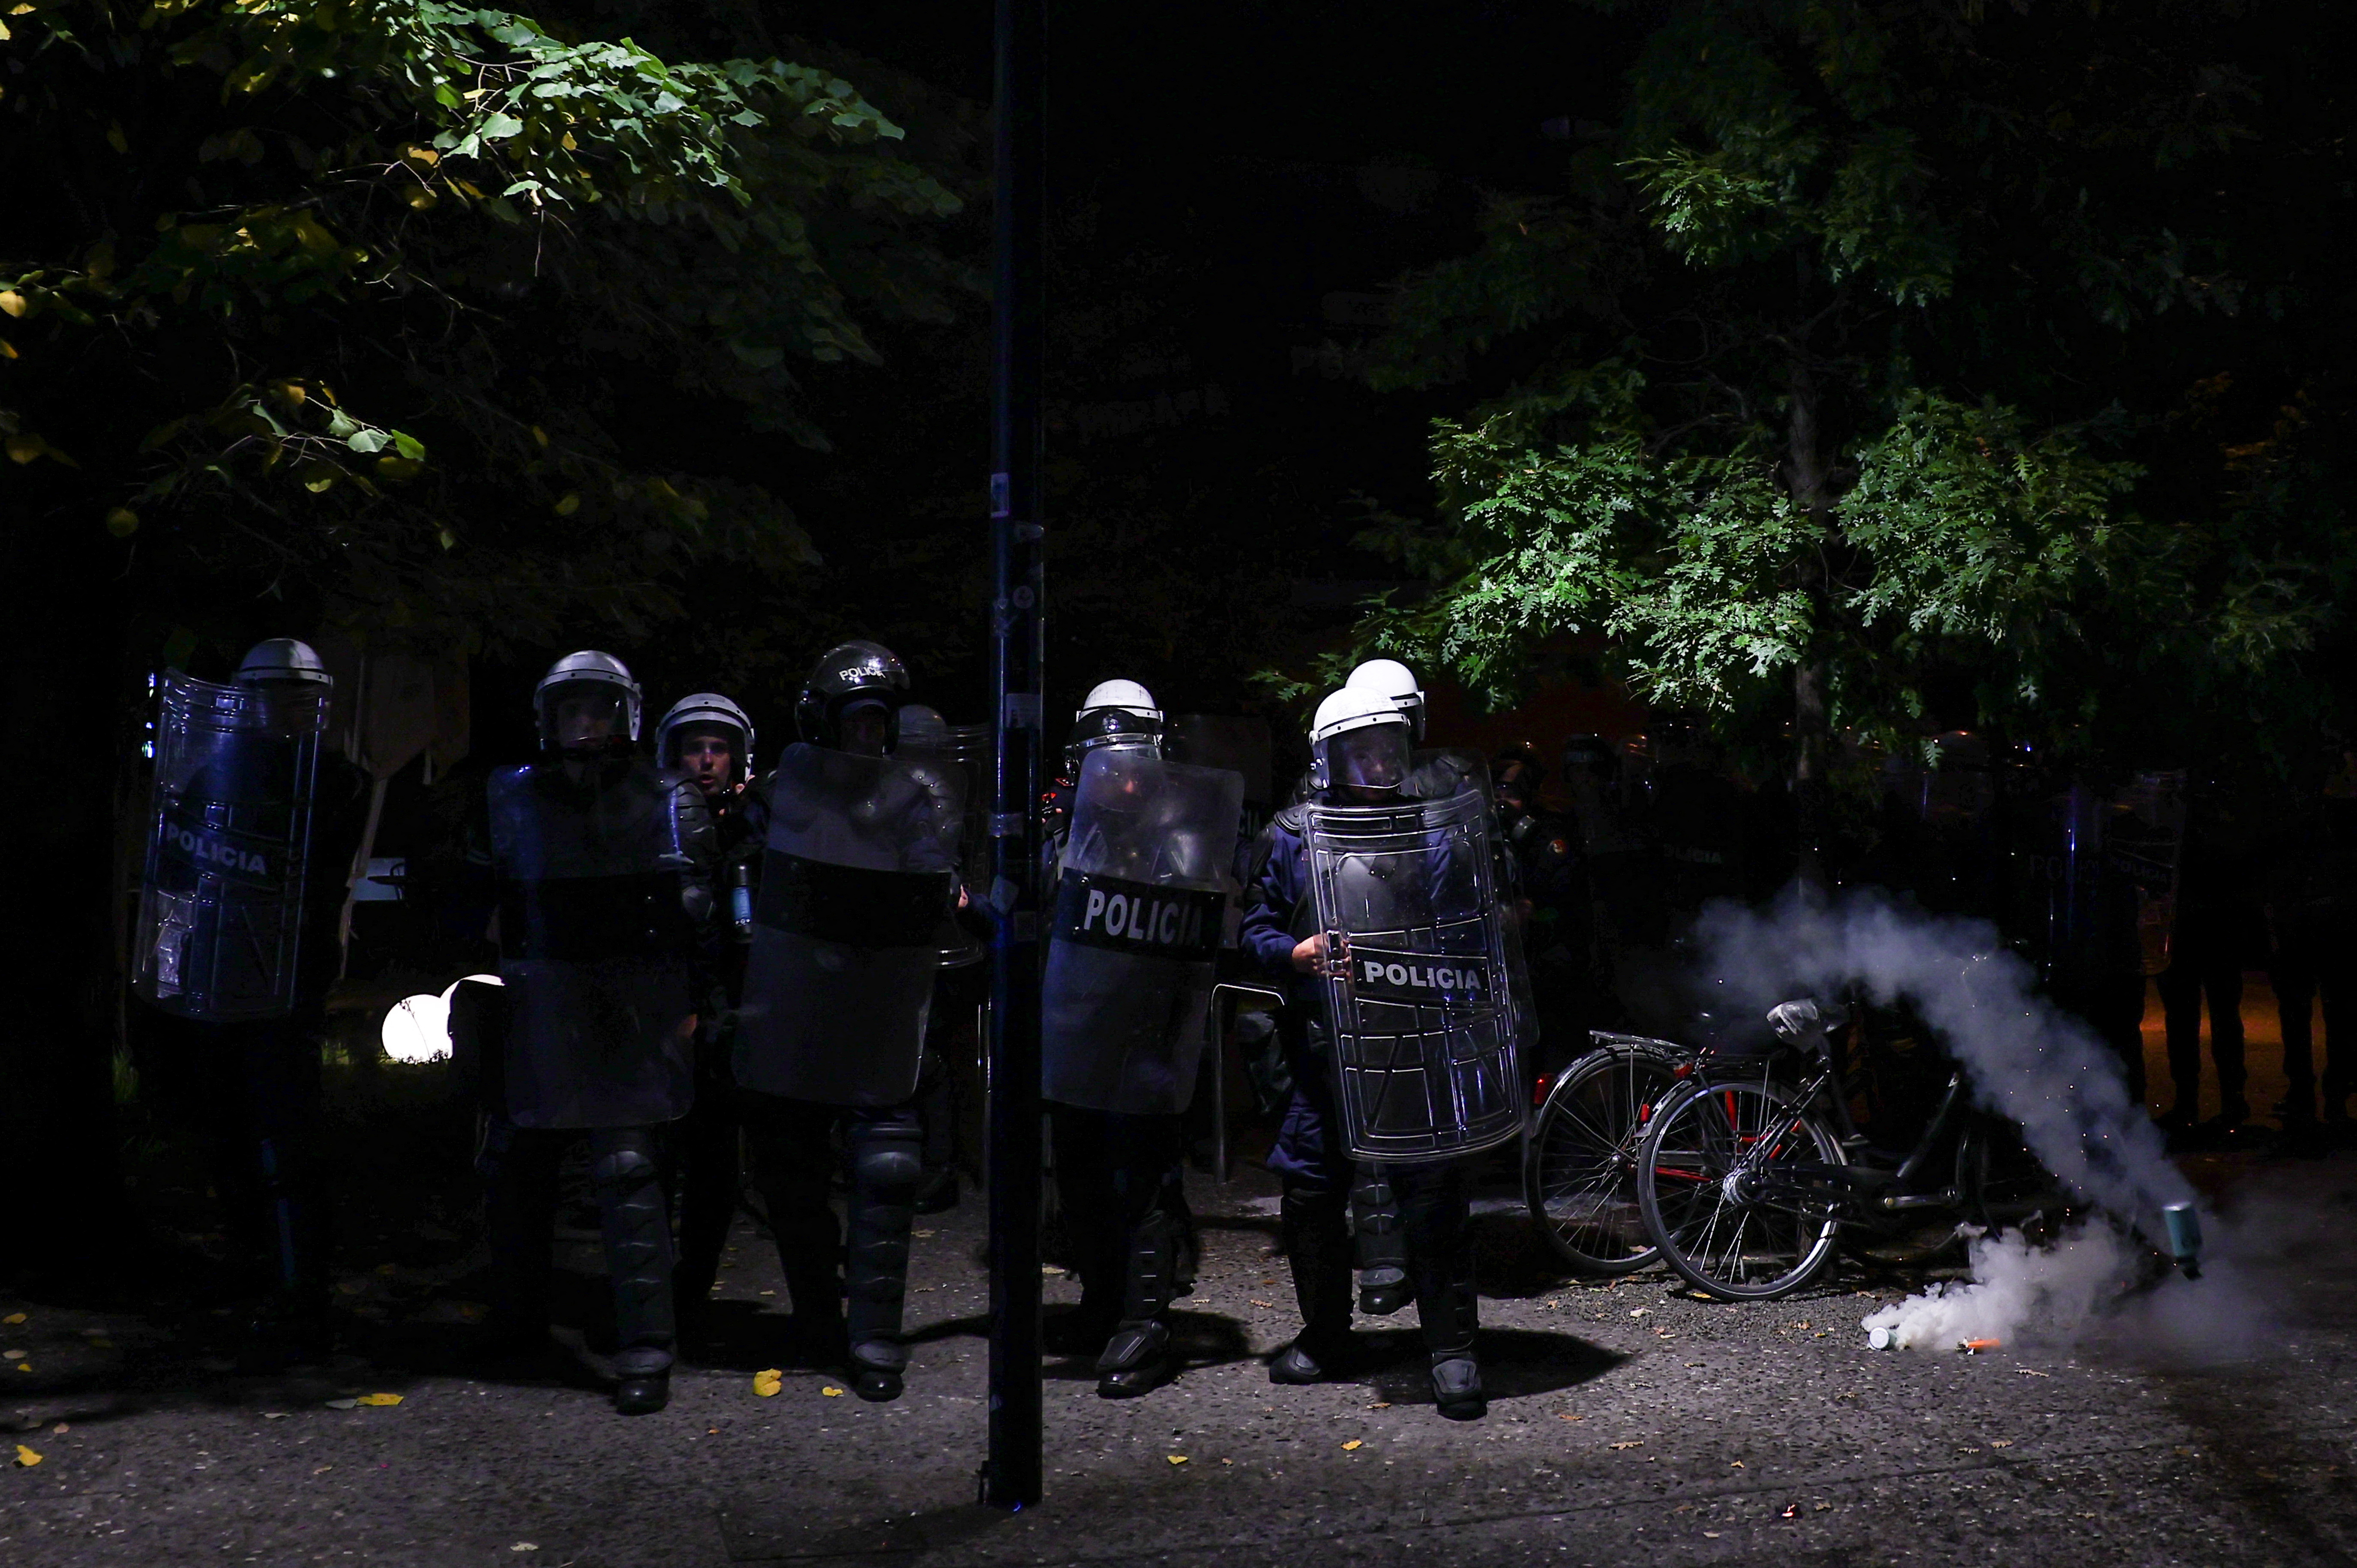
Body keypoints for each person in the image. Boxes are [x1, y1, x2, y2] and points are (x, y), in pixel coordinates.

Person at [1240, 685, 1506, 1420]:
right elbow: (1253, 925)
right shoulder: (1296, 834)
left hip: (1416, 1046)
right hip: (1324, 1052)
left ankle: (1452, 1350)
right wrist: (1294, 953)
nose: (1382, 759)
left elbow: (1468, 928)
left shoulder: (1432, 830)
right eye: (1365, 748)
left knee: (1435, 1200)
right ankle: (1327, 1336)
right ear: (1331, 756)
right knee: (1311, 1195)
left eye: (1391, 745)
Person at [472, 651, 715, 1415]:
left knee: (626, 1171)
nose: (584, 724)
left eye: (597, 710)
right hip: (543, 1002)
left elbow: (697, 918)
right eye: (572, 711)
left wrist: (695, 1006)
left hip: (630, 1008)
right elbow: (481, 893)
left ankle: (646, 1344)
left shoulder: (666, 798)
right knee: (516, 1169)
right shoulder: (513, 797)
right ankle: (517, 1321)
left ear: (624, 717)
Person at [129, 638, 372, 1367]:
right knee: (227, 1128)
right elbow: (177, 862)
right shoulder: (219, 768)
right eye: (269, 696)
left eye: (295, 699)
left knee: (286, 1140)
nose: (281, 711)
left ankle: (305, 1294)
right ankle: (250, 1270)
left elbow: (310, 867)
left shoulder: (337, 780)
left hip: (285, 981)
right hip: (220, 971)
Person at [731, 641, 958, 1401]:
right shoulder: (775, 796)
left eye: (877, 725)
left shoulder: (906, 802)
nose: (867, 738)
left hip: (877, 1009)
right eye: (855, 722)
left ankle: (874, 1336)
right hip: (794, 1008)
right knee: (790, 1175)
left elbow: (936, 887)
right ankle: (819, 1319)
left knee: (887, 1169)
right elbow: (740, 889)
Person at [1038, 680, 1239, 1397]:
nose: (1121, 775)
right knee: (1083, 1176)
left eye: (1131, 761)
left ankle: (1145, 1320)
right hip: (1075, 1032)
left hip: (1147, 1037)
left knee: (1143, 1180)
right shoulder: (1063, 832)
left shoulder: (1182, 831)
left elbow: (1213, 929)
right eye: (1107, 761)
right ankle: (1102, 1301)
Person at [653, 692, 761, 1350]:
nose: (706, 760)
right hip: (666, 1014)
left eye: (718, 748)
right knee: (655, 1157)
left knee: (718, 1160)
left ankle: (693, 1286)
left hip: (736, 1017)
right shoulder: (650, 821)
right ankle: (652, 1283)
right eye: (695, 748)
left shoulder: (757, 824)